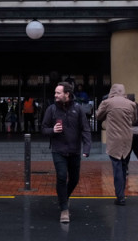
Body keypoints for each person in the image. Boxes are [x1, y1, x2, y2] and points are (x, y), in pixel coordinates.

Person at [42, 81, 91, 223]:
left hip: (75, 150)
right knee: (62, 176)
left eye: (58, 93)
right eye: (55, 92)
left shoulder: (78, 109)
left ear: (67, 94)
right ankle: (64, 210)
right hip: (58, 150)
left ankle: (64, 198)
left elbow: (85, 129)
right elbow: (43, 128)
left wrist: (86, 148)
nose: (55, 95)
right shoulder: (51, 109)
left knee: (74, 179)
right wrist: (52, 130)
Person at [96, 84, 136, 206]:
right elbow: (134, 120)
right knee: (124, 167)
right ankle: (122, 193)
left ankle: (120, 197)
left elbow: (98, 116)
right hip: (127, 140)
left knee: (117, 167)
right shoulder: (131, 104)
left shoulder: (107, 103)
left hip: (114, 140)